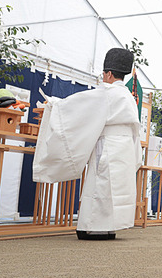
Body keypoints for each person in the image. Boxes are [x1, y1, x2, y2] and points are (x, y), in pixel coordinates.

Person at [33, 48, 142, 240]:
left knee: (101, 184)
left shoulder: (107, 93)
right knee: (114, 187)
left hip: (108, 145)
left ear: (108, 73)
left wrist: (53, 105)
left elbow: (77, 107)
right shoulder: (128, 97)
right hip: (125, 147)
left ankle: (94, 227)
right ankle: (109, 227)